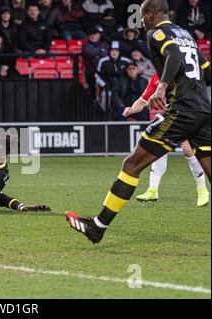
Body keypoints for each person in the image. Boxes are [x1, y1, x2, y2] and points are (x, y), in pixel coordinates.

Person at [65, 0, 211, 244]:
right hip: (203, 110)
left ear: (150, 15)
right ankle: (97, 227)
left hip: (181, 111)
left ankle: (97, 227)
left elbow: (173, 54)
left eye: (142, 18)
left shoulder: (158, 32)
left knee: (131, 165)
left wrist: (162, 88)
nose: (141, 23)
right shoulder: (185, 33)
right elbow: (206, 71)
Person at [124, 72, 209, 207]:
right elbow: (143, 99)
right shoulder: (157, 76)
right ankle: (152, 190)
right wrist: (132, 109)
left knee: (188, 150)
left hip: (189, 115)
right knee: (158, 148)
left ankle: (202, 190)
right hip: (171, 116)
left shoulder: (184, 70)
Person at [82, 27, 108, 97]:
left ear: (99, 35)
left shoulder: (104, 44)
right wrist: (101, 50)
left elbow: (105, 56)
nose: (93, 36)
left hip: (104, 72)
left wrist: (98, 52)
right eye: (91, 34)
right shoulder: (86, 46)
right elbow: (91, 53)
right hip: (92, 72)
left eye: (95, 34)